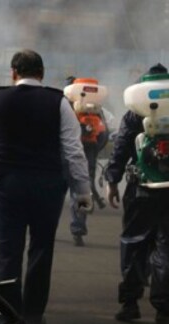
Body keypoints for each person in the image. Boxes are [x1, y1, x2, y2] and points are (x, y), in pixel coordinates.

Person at [0, 49, 92, 324]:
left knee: (6, 253)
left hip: (8, 186)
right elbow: (73, 150)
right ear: (42, 73)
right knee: (41, 249)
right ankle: (34, 319)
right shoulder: (59, 102)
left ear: (14, 72)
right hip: (48, 186)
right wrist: (83, 191)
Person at [105, 63, 169, 324]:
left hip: (140, 189)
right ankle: (164, 312)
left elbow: (120, 148)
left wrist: (111, 180)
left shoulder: (135, 111)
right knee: (166, 249)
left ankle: (129, 304)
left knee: (134, 242)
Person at [64, 76, 116, 247]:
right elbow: (106, 131)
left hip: (64, 153)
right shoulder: (97, 110)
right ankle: (78, 230)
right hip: (88, 153)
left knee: (53, 191)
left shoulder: (64, 106)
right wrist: (96, 148)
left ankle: (42, 227)